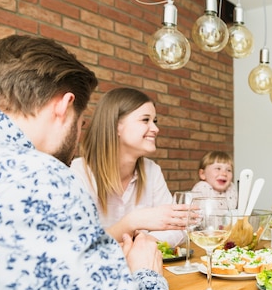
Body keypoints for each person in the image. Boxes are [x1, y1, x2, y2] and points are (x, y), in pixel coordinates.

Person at [0, 35, 186, 290]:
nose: (80, 134)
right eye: (80, 122)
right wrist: (146, 276)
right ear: (64, 104)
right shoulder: (39, 178)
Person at [71, 87, 186, 247]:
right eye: (145, 120)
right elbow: (78, 245)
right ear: (117, 126)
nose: (155, 129)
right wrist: (133, 221)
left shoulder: (151, 170)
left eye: (155, 121)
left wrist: (146, 241)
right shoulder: (78, 173)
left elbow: (178, 228)